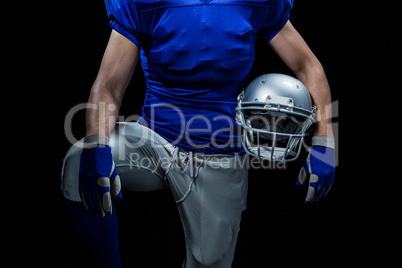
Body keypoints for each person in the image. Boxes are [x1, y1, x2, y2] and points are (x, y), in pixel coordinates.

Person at [61, 0, 335, 267]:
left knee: (209, 262)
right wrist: (97, 145)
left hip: (221, 151)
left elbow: (307, 65)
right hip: (154, 139)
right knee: (78, 160)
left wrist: (325, 142)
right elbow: (109, 86)